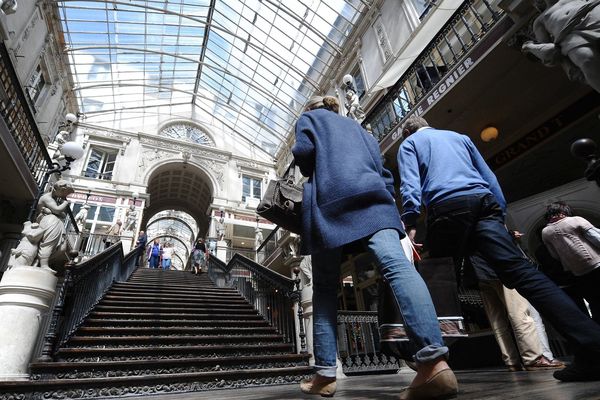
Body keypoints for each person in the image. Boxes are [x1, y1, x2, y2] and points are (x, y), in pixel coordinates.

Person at [397, 115, 600, 382]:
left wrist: (410, 221)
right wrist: (499, 214)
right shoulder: (460, 137)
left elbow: (410, 185)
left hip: (448, 207)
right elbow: (488, 177)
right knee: (523, 274)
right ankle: (592, 345)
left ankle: (430, 362)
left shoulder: (409, 144)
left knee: (438, 282)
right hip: (484, 203)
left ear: (408, 132)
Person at [293, 96, 457, 399]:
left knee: (326, 289)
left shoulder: (310, 120)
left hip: (330, 204)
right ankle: (434, 362)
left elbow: (304, 155)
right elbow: (384, 172)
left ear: (312, 108)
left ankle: (325, 374)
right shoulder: (360, 129)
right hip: (374, 201)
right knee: (398, 269)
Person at [469, 254, 564, 372]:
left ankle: (511, 362)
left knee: (497, 321)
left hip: (478, 272)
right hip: (500, 268)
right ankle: (533, 359)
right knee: (520, 313)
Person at [522, 0, 600, 93]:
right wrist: (530, 47)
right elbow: (549, 50)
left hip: (594, 16)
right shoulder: (540, 20)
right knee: (586, 60)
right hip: (570, 37)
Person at [541, 201, 600, 325]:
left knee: (595, 304)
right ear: (563, 211)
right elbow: (597, 238)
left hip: (578, 273)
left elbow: (555, 255)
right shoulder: (575, 220)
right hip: (597, 265)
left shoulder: (545, 232)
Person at [37, 179, 74, 270]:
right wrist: (65, 203)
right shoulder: (47, 197)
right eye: (65, 193)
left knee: (62, 249)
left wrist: (57, 210)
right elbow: (57, 210)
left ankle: (44, 262)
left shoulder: (55, 199)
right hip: (50, 221)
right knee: (49, 243)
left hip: (57, 222)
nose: (65, 196)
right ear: (58, 190)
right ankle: (43, 264)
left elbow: (62, 214)